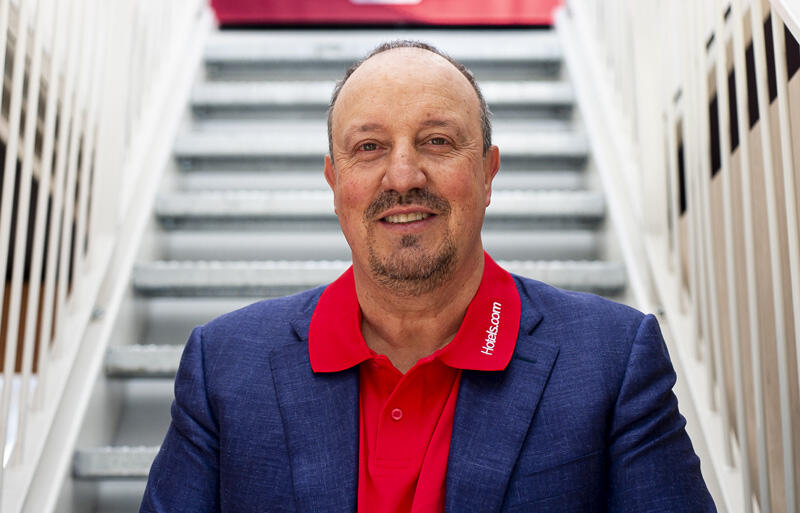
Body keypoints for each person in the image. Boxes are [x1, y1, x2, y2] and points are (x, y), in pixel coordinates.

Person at [140, 41, 716, 512]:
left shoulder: (613, 359)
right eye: (369, 147)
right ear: (335, 184)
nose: (403, 175)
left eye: (437, 141)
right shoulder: (224, 365)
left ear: (488, 173)